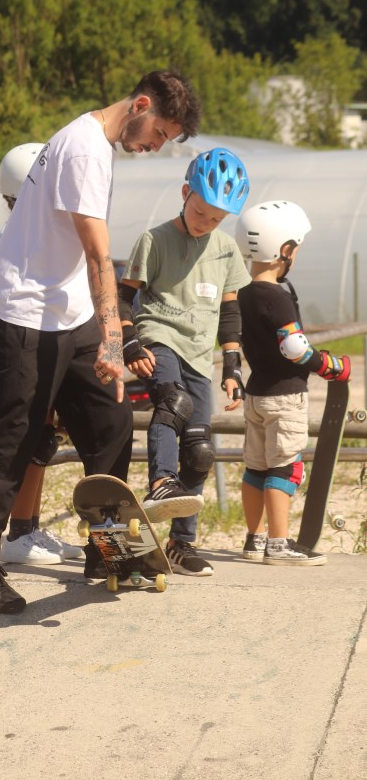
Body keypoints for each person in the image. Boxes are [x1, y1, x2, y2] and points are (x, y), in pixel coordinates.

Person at [0, 69, 203, 613]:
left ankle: (106, 545)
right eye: (159, 133)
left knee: (109, 422)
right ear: (141, 104)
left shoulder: (96, 143)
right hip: (24, 310)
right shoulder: (87, 150)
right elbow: (99, 256)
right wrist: (115, 343)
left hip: (67, 311)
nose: (155, 146)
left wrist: (102, 338)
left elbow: (81, 256)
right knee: (12, 434)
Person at [119, 147, 251, 578]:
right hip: (159, 338)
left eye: (216, 218)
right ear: (185, 193)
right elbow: (123, 297)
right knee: (172, 401)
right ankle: (160, 482)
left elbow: (230, 312)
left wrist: (232, 367)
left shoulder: (227, 250)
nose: (205, 222)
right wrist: (130, 344)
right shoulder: (154, 240)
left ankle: (181, 543)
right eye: (200, 211)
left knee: (199, 452)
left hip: (200, 353)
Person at [235, 200, 351, 566]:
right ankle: (279, 545)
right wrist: (331, 366)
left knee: (256, 467)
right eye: (295, 249)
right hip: (285, 397)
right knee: (286, 467)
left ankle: (254, 540)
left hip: (256, 395)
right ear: (283, 250)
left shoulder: (243, 293)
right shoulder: (278, 298)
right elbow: (294, 348)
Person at [0, 143, 84, 565]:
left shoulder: (30, 235)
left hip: (51, 345)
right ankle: (16, 534)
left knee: (42, 439)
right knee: (25, 439)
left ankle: (26, 529)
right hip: (23, 349)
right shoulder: (13, 241)